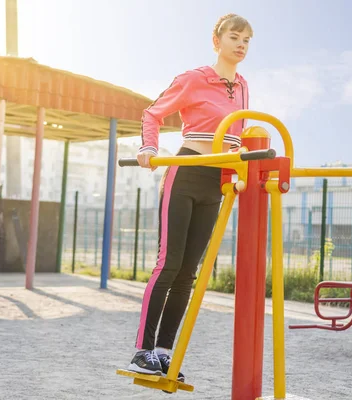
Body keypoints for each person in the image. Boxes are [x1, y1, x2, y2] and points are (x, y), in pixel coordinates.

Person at [127, 13, 253, 381]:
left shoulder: (243, 86)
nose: (241, 45)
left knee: (189, 273)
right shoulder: (194, 79)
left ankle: (165, 353)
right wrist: (149, 147)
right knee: (169, 263)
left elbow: (239, 135)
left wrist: (237, 176)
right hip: (186, 171)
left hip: (216, 180)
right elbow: (153, 113)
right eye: (234, 37)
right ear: (217, 41)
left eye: (247, 40)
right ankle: (142, 350)